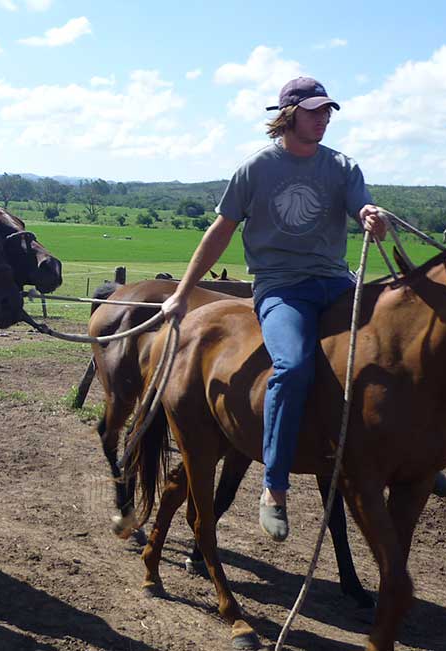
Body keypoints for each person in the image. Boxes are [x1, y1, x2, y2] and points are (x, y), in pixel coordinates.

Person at [160, 77, 387, 542]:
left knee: (396, 347)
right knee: (293, 366)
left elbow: (362, 206)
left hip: (337, 283)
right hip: (284, 288)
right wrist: (183, 292)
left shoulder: (342, 166)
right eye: (315, 111)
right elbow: (220, 231)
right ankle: (274, 488)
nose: (324, 118)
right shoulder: (257, 169)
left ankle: (408, 451)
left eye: (328, 111)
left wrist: (370, 216)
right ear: (289, 115)